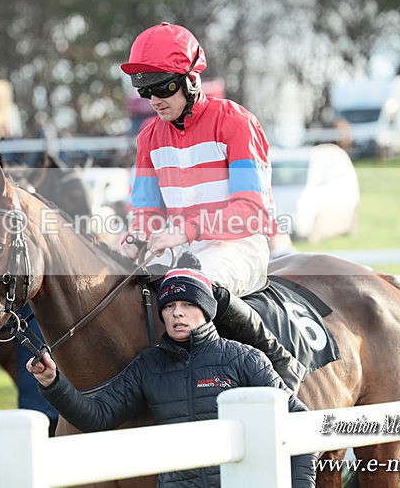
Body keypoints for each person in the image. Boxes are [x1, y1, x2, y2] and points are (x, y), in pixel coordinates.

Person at [118, 22, 305, 390]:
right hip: (178, 250)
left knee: (192, 285)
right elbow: (145, 213)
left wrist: (187, 228)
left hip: (238, 247)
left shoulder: (236, 122)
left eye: (162, 87)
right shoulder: (149, 137)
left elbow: (253, 212)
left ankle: (279, 363)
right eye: (144, 89)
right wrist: (134, 239)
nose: (153, 99)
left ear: (191, 79)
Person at [27, 258, 316, 487]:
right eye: (170, 306)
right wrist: (53, 382)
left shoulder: (246, 359)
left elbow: (300, 423)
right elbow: (96, 416)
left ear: (206, 310)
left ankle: (285, 359)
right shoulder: (148, 366)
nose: (177, 313)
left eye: (188, 304)